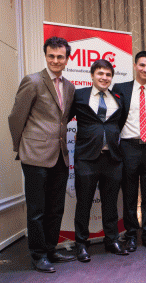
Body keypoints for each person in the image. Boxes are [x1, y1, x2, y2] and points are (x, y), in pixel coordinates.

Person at [8, 36, 76, 273]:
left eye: (60, 56)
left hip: (60, 155)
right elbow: (16, 117)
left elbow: (63, 119)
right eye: (51, 56)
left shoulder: (69, 86)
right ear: (46, 56)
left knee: (56, 207)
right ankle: (37, 255)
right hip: (35, 155)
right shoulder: (33, 81)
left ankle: (50, 249)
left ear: (67, 59)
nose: (56, 60)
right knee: (37, 209)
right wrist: (22, 147)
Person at [71, 59, 128, 262]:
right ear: (92, 75)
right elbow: (66, 117)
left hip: (112, 158)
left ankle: (111, 240)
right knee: (84, 203)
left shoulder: (117, 98)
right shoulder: (79, 95)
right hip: (87, 158)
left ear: (112, 78)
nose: (104, 78)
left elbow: (116, 125)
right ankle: (81, 244)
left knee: (111, 203)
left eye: (108, 75)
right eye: (100, 74)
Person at [113, 51, 146, 252]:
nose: (145, 69)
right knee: (130, 195)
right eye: (142, 65)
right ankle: (131, 235)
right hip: (128, 147)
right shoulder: (120, 89)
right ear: (135, 66)